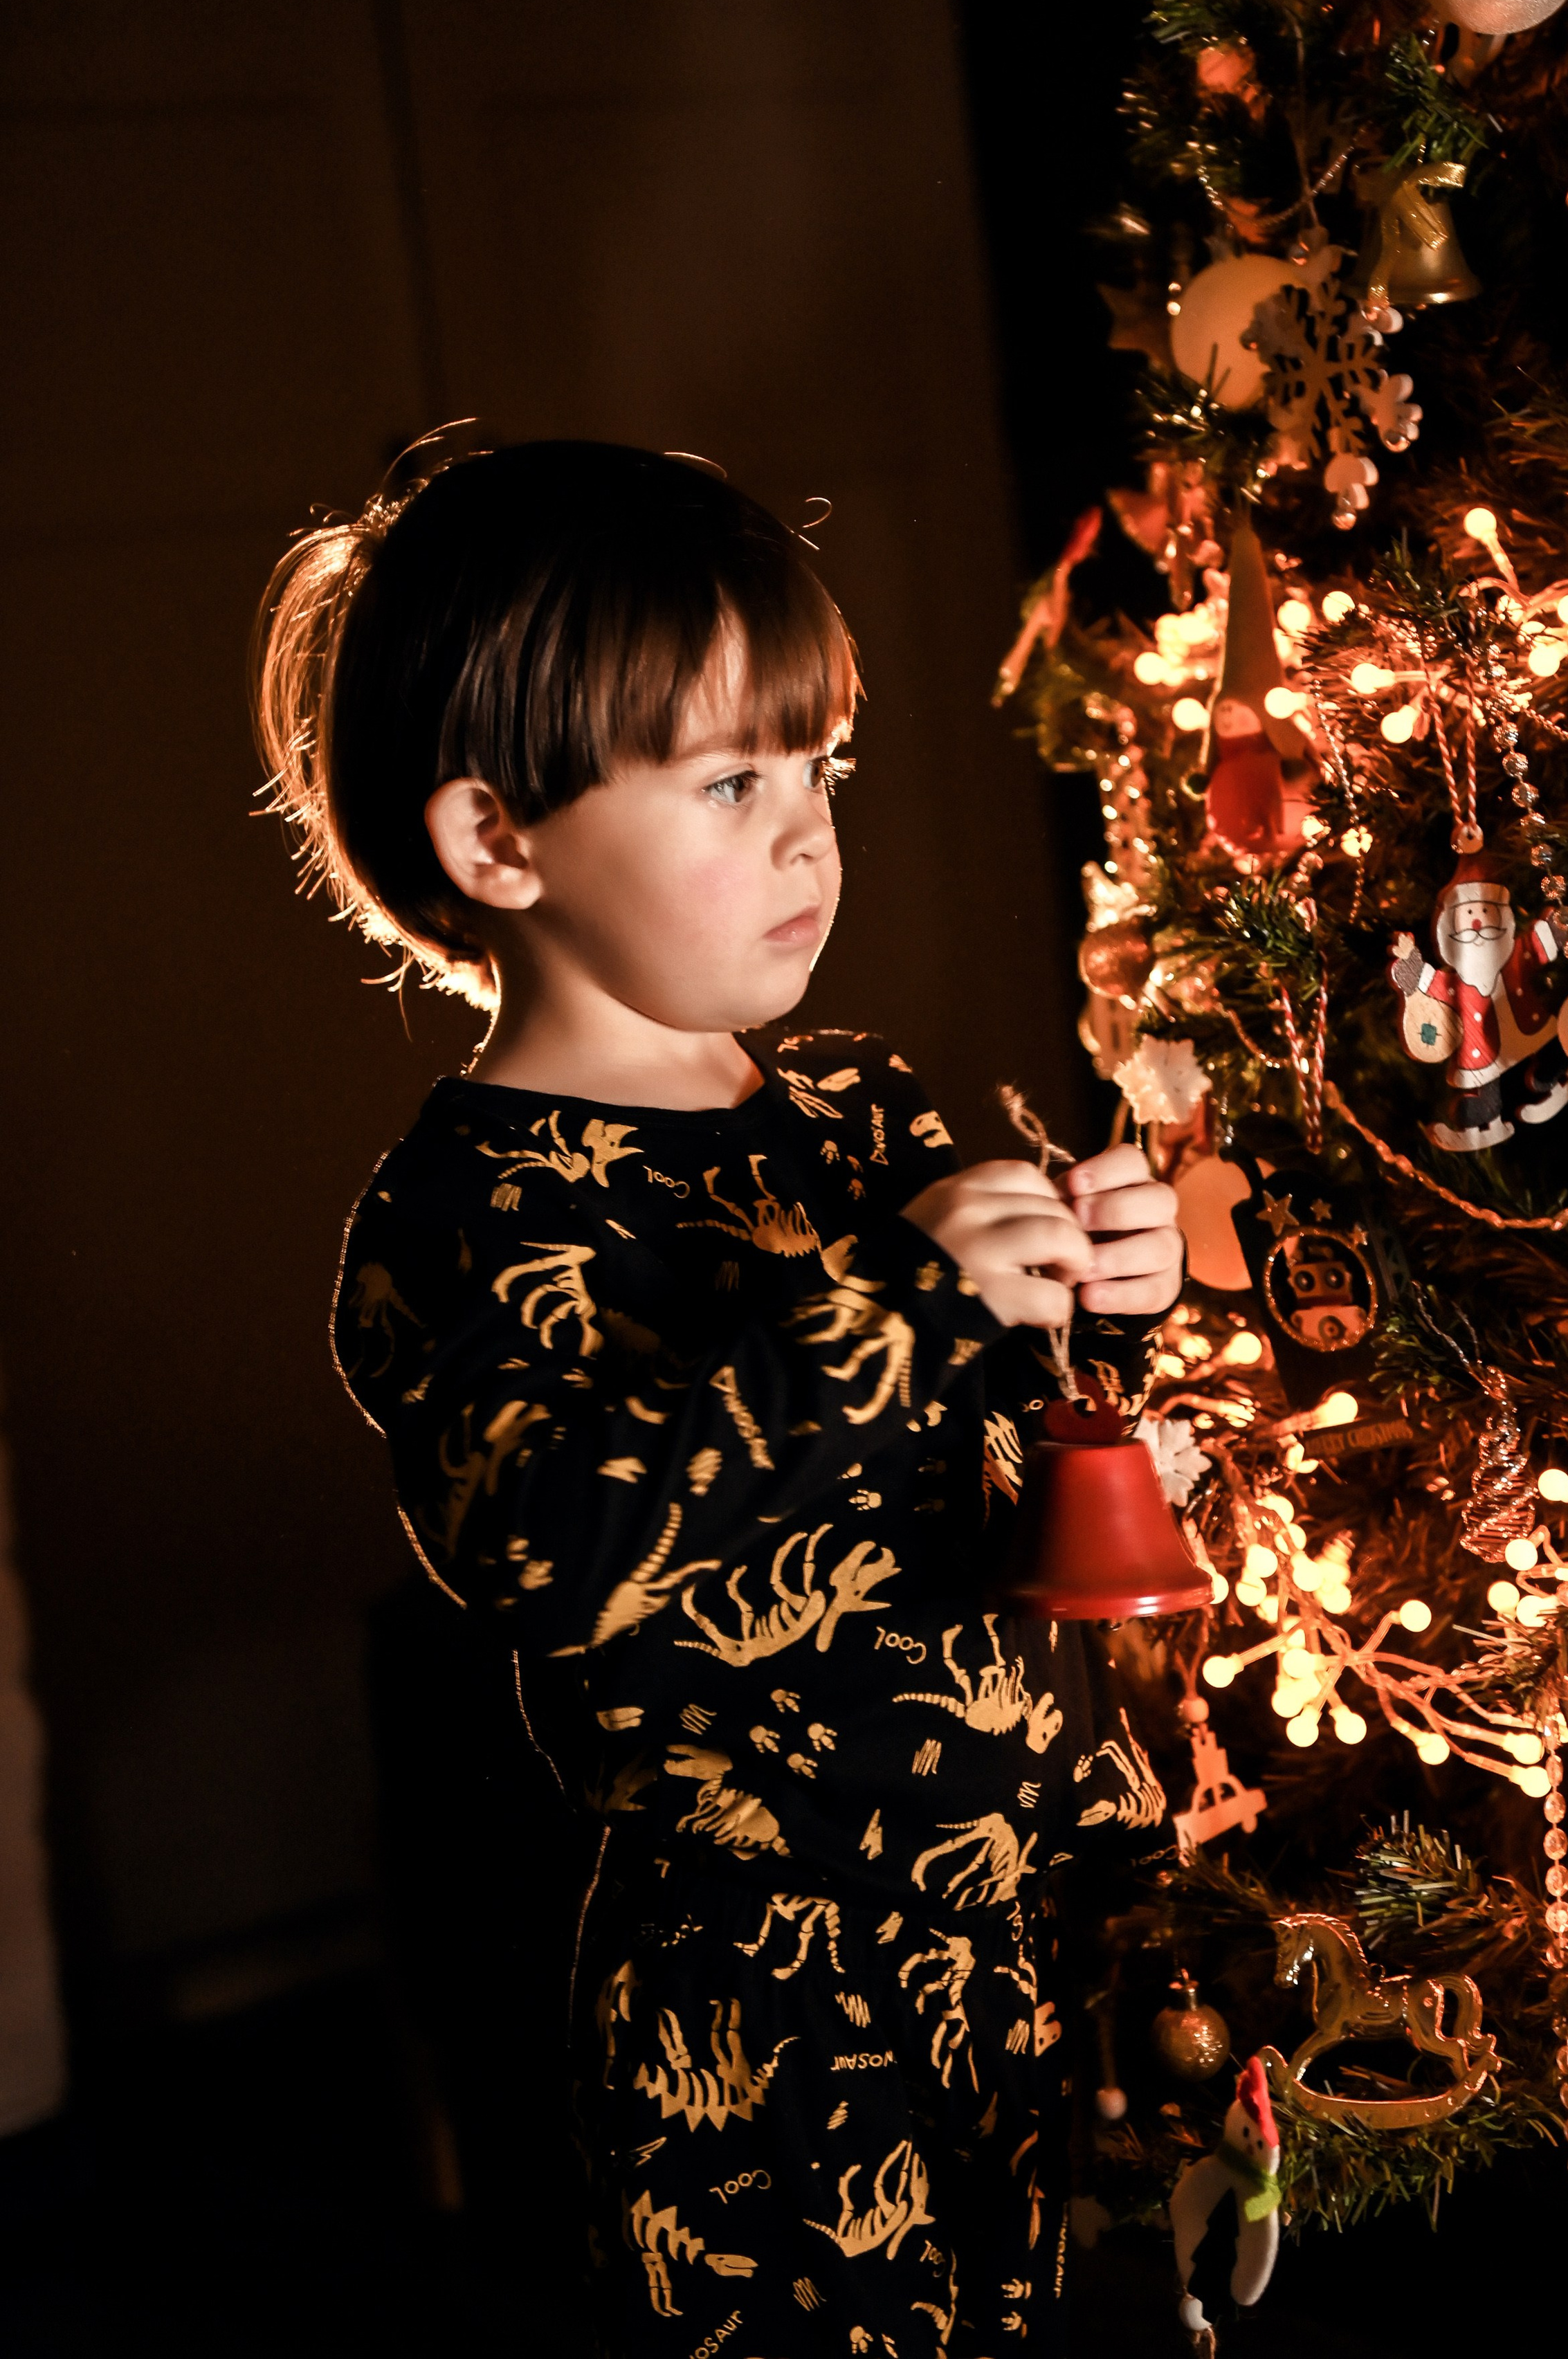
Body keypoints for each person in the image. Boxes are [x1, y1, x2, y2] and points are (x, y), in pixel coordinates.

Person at [254, 441, 1183, 2354]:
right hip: (767, 2006)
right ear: (499, 843)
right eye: (731, 784)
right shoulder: (465, 1217)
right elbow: (549, 1547)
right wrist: (907, 1298)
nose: (807, 839)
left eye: (823, 771)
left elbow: (1013, 1445)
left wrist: (1108, 1303)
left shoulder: (863, 1115)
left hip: (1026, 1919)